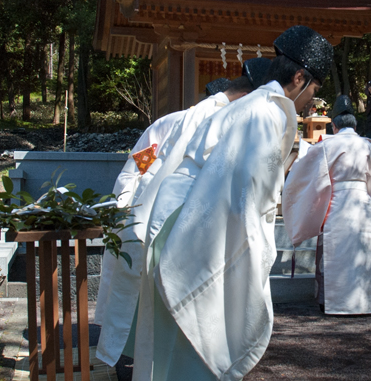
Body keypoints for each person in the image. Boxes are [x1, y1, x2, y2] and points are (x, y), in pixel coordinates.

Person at [131, 25, 332, 381]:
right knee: (195, 347)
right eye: (314, 89)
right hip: (192, 233)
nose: (312, 100)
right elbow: (247, 194)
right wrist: (258, 247)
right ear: (299, 77)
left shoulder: (256, 107)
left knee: (173, 348)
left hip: (180, 220)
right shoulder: (264, 113)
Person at [94, 65, 268, 373]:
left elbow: (136, 167)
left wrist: (126, 204)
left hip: (153, 218)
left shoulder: (168, 123)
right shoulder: (219, 123)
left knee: (142, 307)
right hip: (184, 224)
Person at [282, 95, 371, 315]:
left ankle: (331, 303)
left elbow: (309, 176)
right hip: (362, 204)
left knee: (334, 253)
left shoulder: (327, 146)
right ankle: (363, 304)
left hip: (336, 203)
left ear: (334, 125)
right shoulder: (369, 147)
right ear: (355, 125)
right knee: (361, 251)